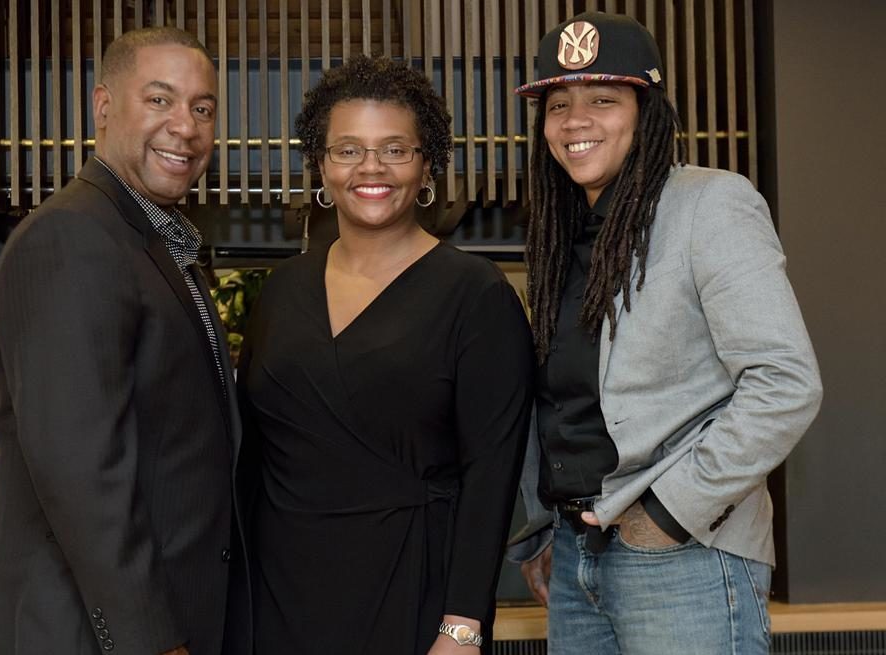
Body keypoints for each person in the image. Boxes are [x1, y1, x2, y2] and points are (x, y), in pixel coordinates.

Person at [507, 11, 822, 654]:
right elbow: (559, 403)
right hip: (574, 554)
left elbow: (784, 382)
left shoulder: (711, 203)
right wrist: (543, 530)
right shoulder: (557, 236)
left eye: (603, 99)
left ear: (645, 111)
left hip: (683, 558)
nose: (575, 121)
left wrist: (670, 514)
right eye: (558, 105)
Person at [237, 55, 534, 655]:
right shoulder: (282, 290)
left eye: (394, 149)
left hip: (410, 590)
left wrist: (462, 627)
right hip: (276, 597)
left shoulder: (476, 295)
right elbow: (252, 459)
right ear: (322, 165)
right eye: (348, 150)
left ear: (426, 165)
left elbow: (491, 477)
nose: (370, 167)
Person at [0, 27, 250, 655]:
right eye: (159, 100)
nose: (185, 126)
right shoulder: (71, 238)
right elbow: (82, 472)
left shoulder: (154, 244)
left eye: (203, 108)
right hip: (83, 631)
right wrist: (152, 640)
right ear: (103, 106)